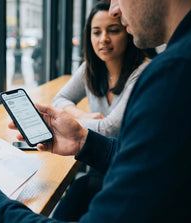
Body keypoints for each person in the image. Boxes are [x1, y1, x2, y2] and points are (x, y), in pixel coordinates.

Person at [0, 0, 191, 222]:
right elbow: (162, 162)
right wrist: (85, 141)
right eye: (96, 32)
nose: (115, 8)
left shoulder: (178, 73)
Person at [51, 2, 149, 220]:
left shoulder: (143, 71)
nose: (103, 38)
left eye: (113, 31)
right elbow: (59, 99)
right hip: (99, 164)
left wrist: (68, 120)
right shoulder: (90, 68)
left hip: (126, 169)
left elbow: (110, 128)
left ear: (127, 31)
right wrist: (83, 115)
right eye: (96, 32)